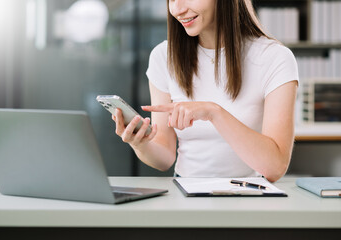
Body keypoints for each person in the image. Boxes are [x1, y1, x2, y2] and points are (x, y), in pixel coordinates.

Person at [112, 0, 299, 182]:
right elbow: (165, 158)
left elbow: (275, 168)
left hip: (249, 193)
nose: (177, 9)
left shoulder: (274, 58)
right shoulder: (163, 57)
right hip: (186, 193)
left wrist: (213, 112)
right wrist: (141, 144)